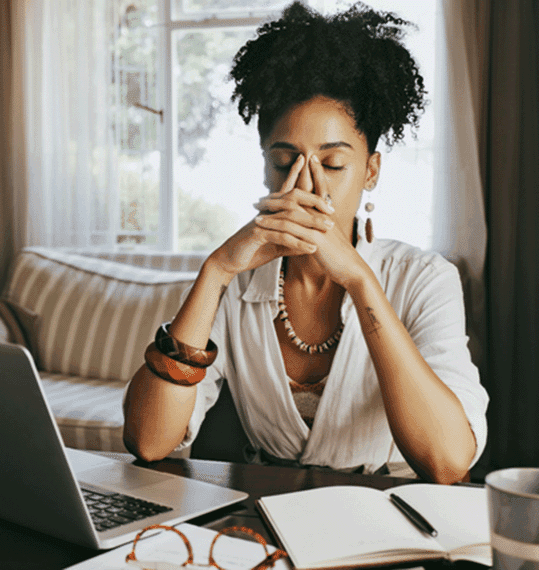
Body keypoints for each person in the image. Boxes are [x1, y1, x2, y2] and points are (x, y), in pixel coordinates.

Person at [123, 1, 488, 484]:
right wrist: (214, 273)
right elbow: (148, 440)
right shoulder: (236, 280)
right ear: (264, 166)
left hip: (391, 520)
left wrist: (359, 280)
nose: (306, 187)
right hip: (266, 515)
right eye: (283, 162)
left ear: (371, 171)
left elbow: (447, 461)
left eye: (333, 164)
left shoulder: (424, 279)